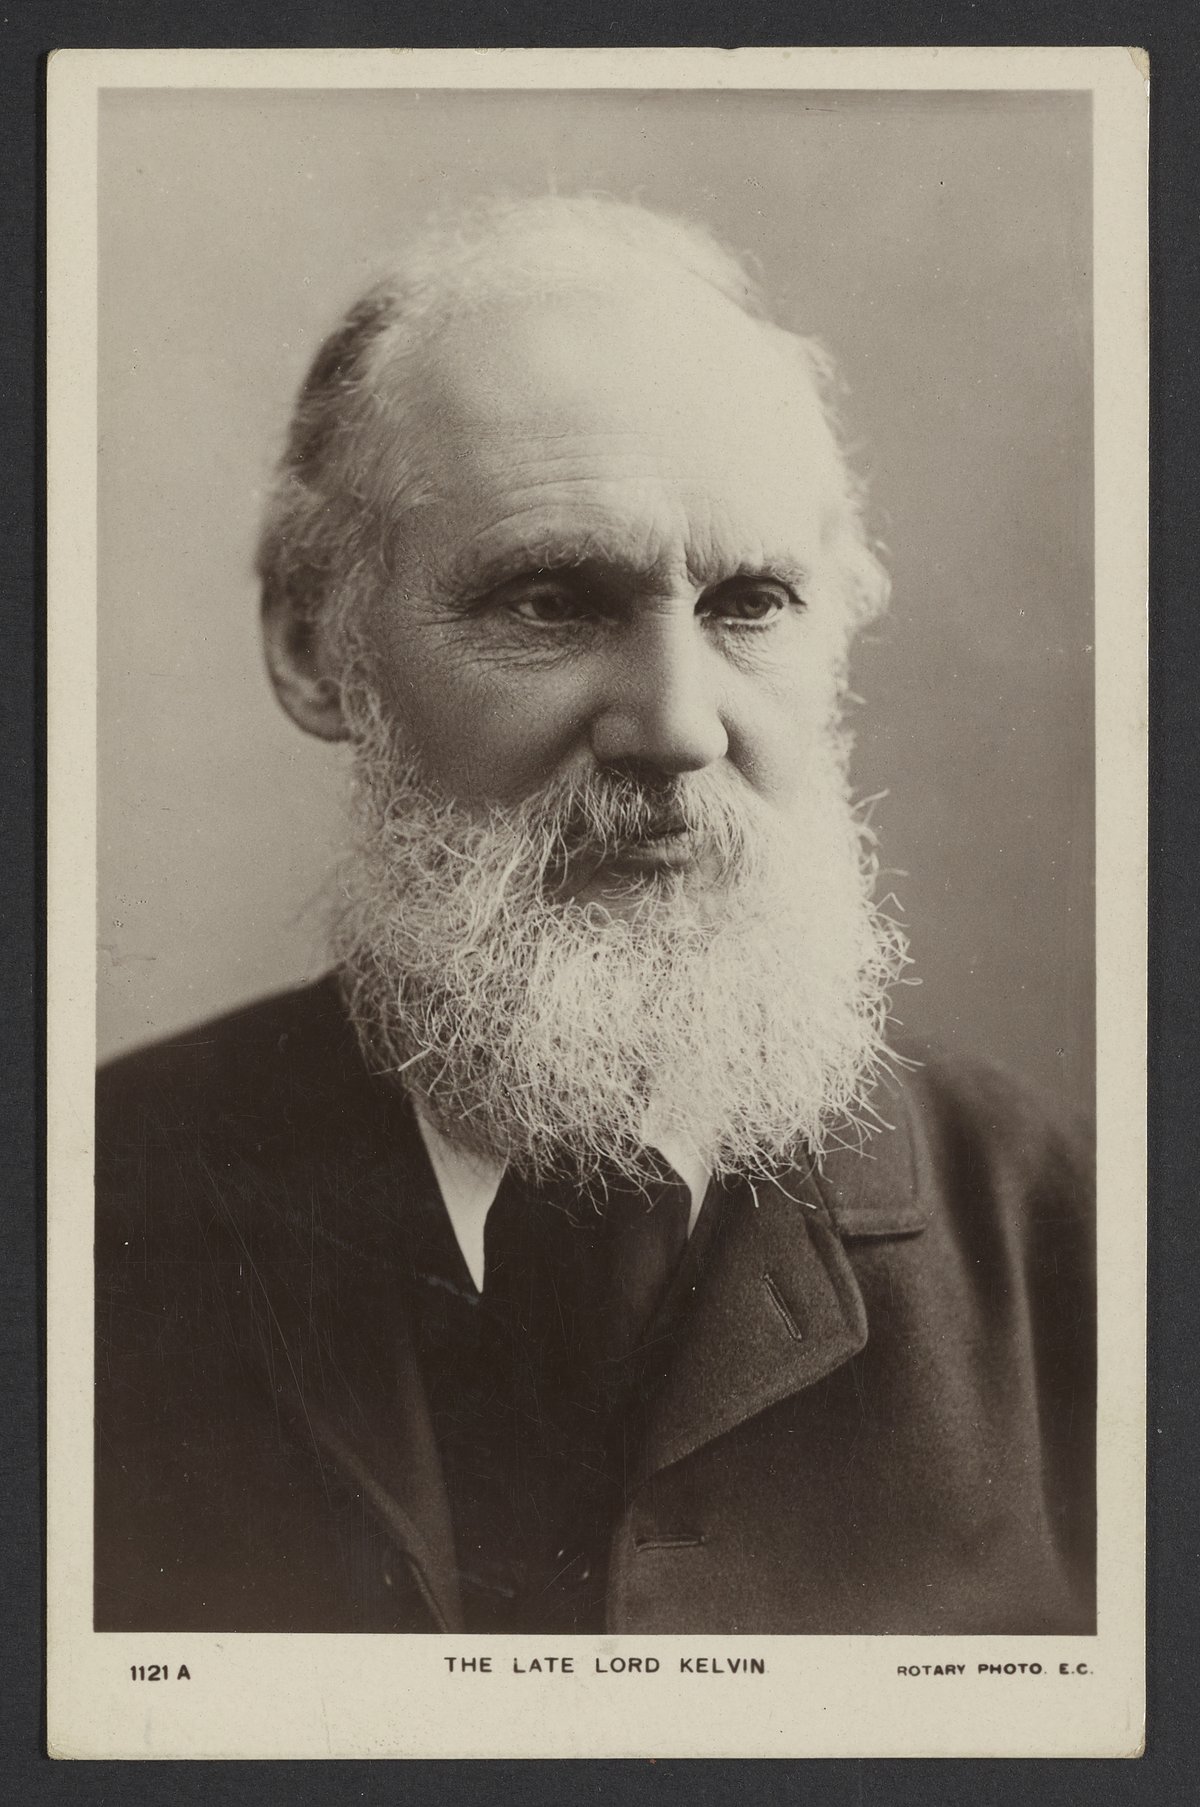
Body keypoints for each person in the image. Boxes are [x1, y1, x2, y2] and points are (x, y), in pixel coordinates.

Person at [94, 195, 1094, 1636]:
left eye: (751, 603)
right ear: (316, 649)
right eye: (552, 602)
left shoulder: (1078, 1243)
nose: (679, 728)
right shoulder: (85, 1216)